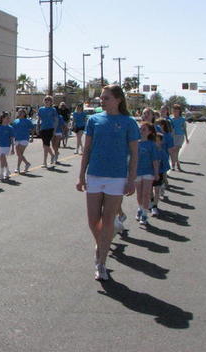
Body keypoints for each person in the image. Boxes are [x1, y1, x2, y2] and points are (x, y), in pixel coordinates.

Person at [76, 85, 139, 281]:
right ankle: (103, 242)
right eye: (101, 98)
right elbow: (86, 150)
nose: (102, 101)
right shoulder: (94, 120)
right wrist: (81, 176)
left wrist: (131, 179)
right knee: (93, 221)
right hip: (95, 175)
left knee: (108, 219)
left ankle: (101, 262)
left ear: (118, 99)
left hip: (117, 178)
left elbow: (134, 154)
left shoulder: (128, 122)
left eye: (106, 98)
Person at [135, 122, 159, 226]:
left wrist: (156, 173)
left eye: (144, 129)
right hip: (137, 172)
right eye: (141, 129)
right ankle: (140, 208)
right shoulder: (136, 143)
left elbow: (155, 160)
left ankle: (144, 214)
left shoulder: (151, 144)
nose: (141, 131)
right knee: (139, 194)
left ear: (149, 132)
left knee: (146, 194)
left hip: (148, 172)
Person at [37, 96, 58, 168]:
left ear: (51, 102)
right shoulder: (41, 109)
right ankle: (52, 155)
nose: (47, 101)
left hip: (50, 128)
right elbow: (39, 119)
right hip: (43, 128)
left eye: (48, 100)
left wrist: (55, 130)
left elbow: (56, 120)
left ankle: (44, 162)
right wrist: (37, 127)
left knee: (46, 145)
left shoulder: (53, 109)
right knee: (45, 145)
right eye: (46, 100)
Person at [12, 108, 33, 174]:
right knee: (19, 154)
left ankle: (18, 168)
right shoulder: (15, 121)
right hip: (17, 139)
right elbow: (13, 130)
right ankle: (27, 163)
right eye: (19, 112)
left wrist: (32, 137)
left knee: (19, 153)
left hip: (24, 138)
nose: (20, 113)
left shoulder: (27, 121)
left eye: (22, 112)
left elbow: (32, 129)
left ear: (24, 113)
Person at [0, 111, 14, 180]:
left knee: (2, 158)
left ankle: (1, 173)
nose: (8, 119)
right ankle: (7, 171)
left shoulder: (10, 128)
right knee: (3, 159)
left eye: (9, 118)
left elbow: (12, 139)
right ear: (2, 118)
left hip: (6, 146)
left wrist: (13, 149)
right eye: (6, 118)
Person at [169, 104, 189, 171]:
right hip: (173, 136)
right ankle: (177, 165)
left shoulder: (182, 119)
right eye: (174, 110)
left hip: (180, 136)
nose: (175, 111)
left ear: (179, 111)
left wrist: (186, 138)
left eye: (176, 110)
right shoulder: (171, 119)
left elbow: (184, 129)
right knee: (173, 152)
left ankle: (174, 165)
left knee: (176, 151)